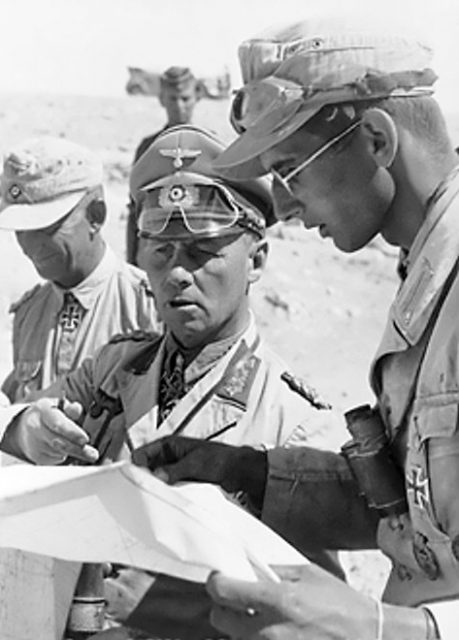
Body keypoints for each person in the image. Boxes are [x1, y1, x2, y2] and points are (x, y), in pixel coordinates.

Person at [132, 16, 459, 640]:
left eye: (290, 171)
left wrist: (386, 628)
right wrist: (249, 475)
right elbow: (419, 506)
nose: (280, 208)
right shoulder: (427, 272)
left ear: (377, 141)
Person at [0, 124, 344, 635]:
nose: (177, 274)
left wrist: (166, 605)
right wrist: (29, 428)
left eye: (201, 254)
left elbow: (315, 620)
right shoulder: (116, 367)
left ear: (257, 259)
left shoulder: (295, 424)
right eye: (162, 253)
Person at [0, 136, 159, 403]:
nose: (30, 244)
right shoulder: (29, 314)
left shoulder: (149, 308)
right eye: (21, 230)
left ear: (96, 216)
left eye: (46, 228)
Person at [127, 66, 202, 264]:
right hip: (155, 246)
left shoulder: (207, 146)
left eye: (185, 98)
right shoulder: (148, 148)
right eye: (172, 99)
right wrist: (132, 260)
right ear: (162, 99)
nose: (179, 106)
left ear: (197, 96)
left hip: (197, 247)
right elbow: (135, 207)